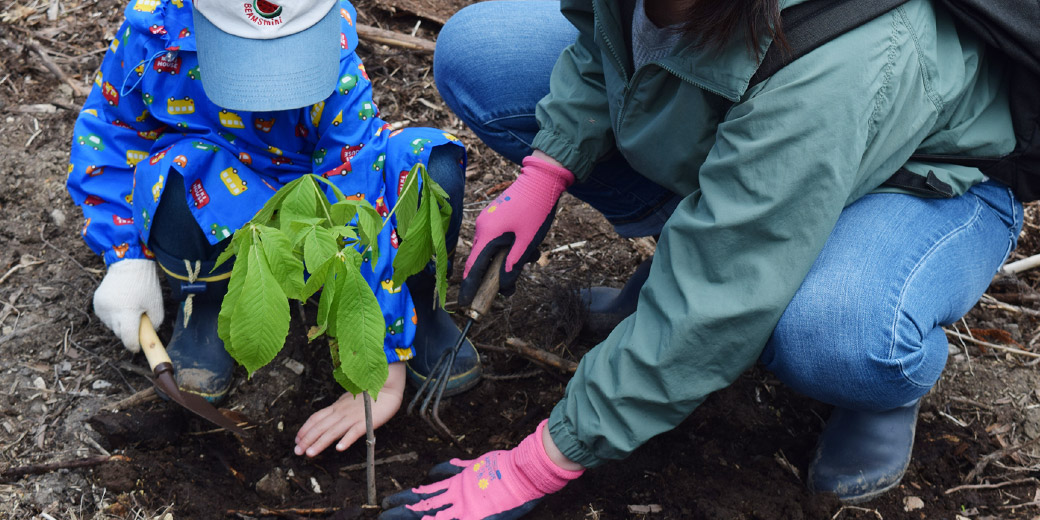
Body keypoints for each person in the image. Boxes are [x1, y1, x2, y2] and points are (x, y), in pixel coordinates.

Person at [378, 0, 1022, 516]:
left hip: (930, 176)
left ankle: (881, 388)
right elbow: (600, 43)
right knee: (483, 55)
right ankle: (693, 249)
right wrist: (548, 168)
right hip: (771, 140)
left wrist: (540, 462)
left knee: (834, 330)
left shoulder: (833, 55)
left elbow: (723, 291)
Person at [67, 0, 482, 458]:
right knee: (179, 171)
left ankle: (417, 305)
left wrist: (379, 358)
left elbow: (358, 196)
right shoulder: (154, 41)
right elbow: (111, 135)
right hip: (227, 199)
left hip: (324, 198)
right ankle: (207, 305)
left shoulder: (334, 55)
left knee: (428, 166)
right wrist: (125, 257)